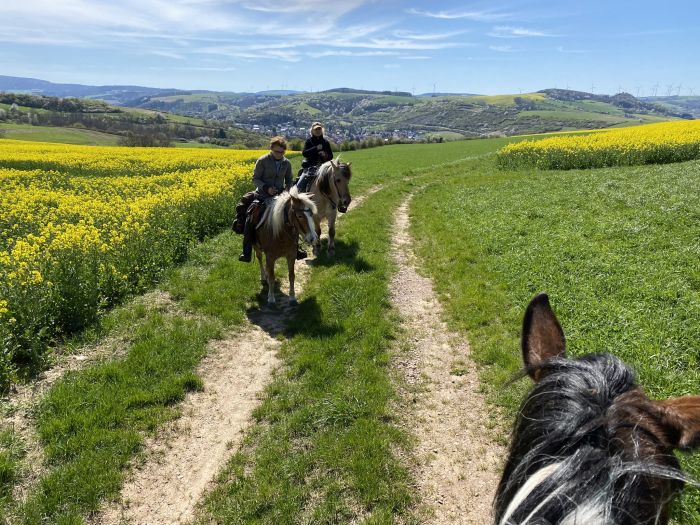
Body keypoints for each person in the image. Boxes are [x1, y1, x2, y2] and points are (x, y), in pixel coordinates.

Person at [239, 136, 307, 262]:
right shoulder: (262, 160)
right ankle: (246, 252)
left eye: (282, 152)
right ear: (271, 149)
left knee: (294, 217)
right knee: (250, 219)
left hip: (280, 198)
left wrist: (287, 191)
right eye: (277, 152)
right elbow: (255, 178)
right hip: (262, 196)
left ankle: (296, 249)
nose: (280, 154)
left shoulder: (287, 163)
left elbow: (289, 180)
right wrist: (266, 188)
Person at [296, 122, 333, 192]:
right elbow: (304, 153)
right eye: (316, 129)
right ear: (312, 131)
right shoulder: (308, 141)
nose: (318, 130)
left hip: (324, 167)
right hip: (310, 168)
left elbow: (331, 156)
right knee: (299, 186)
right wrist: (316, 148)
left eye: (319, 129)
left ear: (322, 130)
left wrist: (325, 155)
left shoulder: (326, 142)